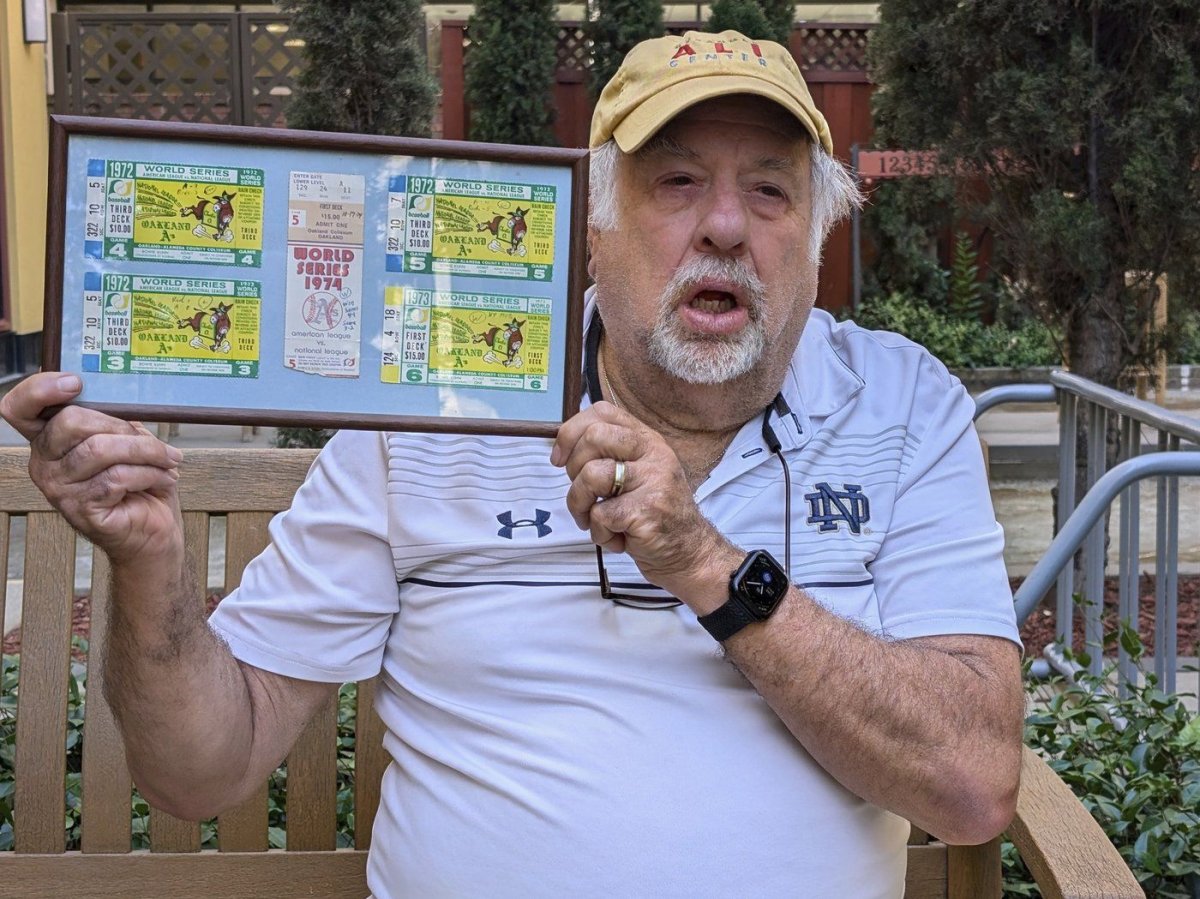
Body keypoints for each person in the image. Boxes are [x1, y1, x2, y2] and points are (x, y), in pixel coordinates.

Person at [1, 30, 1023, 898]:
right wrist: (146, 561)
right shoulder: (437, 401)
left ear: (814, 240)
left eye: (769, 191)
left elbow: (972, 783)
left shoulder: (903, 404)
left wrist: (708, 565)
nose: (724, 225)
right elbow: (199, 769)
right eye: (676, 182)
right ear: (596, 226)